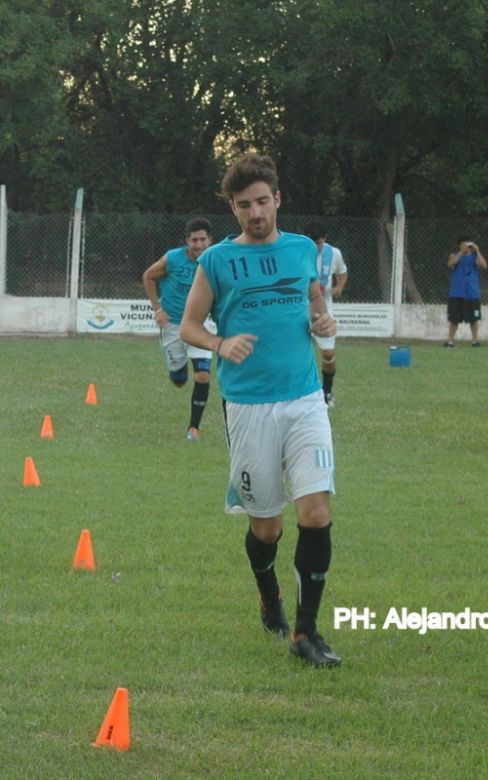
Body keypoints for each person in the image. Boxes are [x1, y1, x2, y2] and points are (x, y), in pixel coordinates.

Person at [180, 153, 341, 667]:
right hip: (248, 407)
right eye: (245, 204)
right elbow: (190, 327)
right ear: (233, 207)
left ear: (278, 199)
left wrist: (322, 322)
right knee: (266, 527)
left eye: (263, 202)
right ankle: (267, 590)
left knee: (315, 511)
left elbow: (314, 300)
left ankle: (306, 632)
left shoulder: (300, 251)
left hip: (304, 399)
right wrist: (220, 343)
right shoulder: (217, 261)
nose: (255, 212)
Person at [142, 217, 214, 440]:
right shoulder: (173, 258)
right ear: (187, 241)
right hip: (173, 325)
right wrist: (157, 309)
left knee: (202, 374)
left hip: (201, 324)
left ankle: (194, 428)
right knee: (179, 379)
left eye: (203, 239)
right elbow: (148, 276)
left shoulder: (215, 260)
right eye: (194, 240)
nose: (199, 245)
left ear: (210, 240)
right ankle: (177, 370)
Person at [304, 221, 348, 408]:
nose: (317, 247)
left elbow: (343, 272)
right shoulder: (298, 251)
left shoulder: (334, 253)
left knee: (328, 354)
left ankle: (327, 391)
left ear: (325, 240)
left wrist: (339, 286)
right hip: (299, 310)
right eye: (313, 243)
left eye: (319, 243)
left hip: (323, 310)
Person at [445, 236, 488, 347]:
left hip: (472, 293)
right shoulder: (454, 255)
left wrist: (477, 250)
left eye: (468, 245)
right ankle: (450, 341)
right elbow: (450, 264)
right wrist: (461, 252)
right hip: (456, 293)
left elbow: (484, 265)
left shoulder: (474, 257)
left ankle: (475, 341)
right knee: (454, 319)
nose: (467, 248)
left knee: (473, 319)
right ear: (459, 245)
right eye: (464, 245)